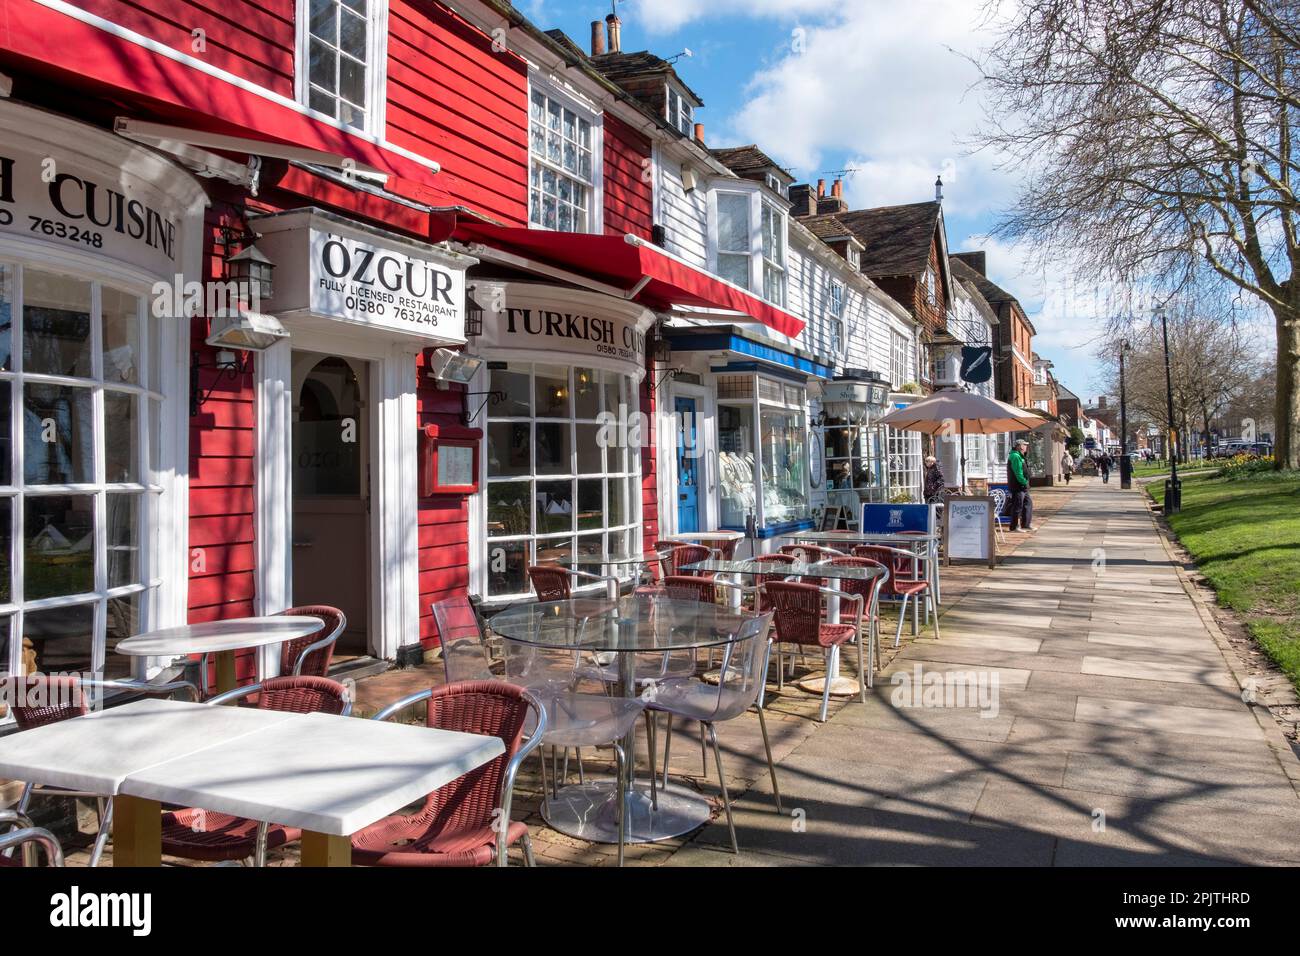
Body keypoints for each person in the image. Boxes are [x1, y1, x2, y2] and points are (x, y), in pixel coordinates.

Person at [1007, 438, 1034, 531]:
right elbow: (1018, 472)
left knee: (1028, 503)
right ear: (1019, 446)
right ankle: (1014, 526)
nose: (1026, 447)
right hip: (1018, 485)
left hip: (1023, 486)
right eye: (1024, 445)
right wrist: (1024, 482)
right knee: (1017, 505)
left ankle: (1026, 524)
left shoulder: (1020, 456)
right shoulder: (1015, 456)